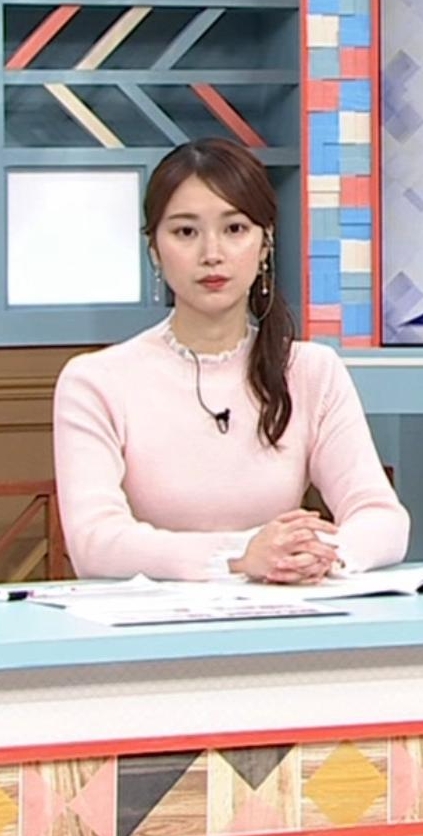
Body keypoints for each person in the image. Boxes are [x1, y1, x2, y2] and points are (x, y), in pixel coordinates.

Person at [53, 137, 410, 584]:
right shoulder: (96, 381)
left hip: (287, 611)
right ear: (154, 250)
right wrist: (240, 556)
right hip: (152, 621)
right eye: (186, 232)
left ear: (265, 245)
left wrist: (318, 556)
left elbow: (381, 517)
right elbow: (95, 543)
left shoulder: (310, 371)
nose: (212, 254)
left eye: (235, 229)